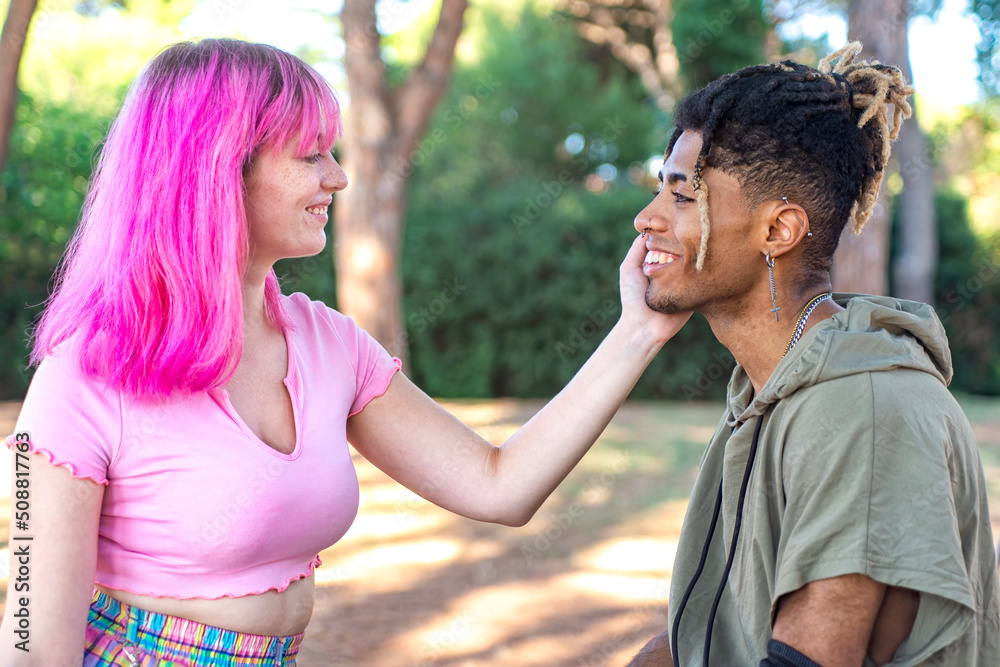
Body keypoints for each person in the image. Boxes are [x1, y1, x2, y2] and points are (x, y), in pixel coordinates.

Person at [0, 39, 688, 665]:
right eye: (310, 155)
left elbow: (498, 485)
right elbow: (30, 644)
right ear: (218, 168)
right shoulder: (84, 375)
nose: (337, 177)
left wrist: (641, 330)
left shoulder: (328, 344)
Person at [624, 43, 1000, 667]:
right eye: (659, 190)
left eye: (684, 197)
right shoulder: (770, 388)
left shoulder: (864, 407)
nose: (646, 219)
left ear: (778, 231)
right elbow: (721, 629)